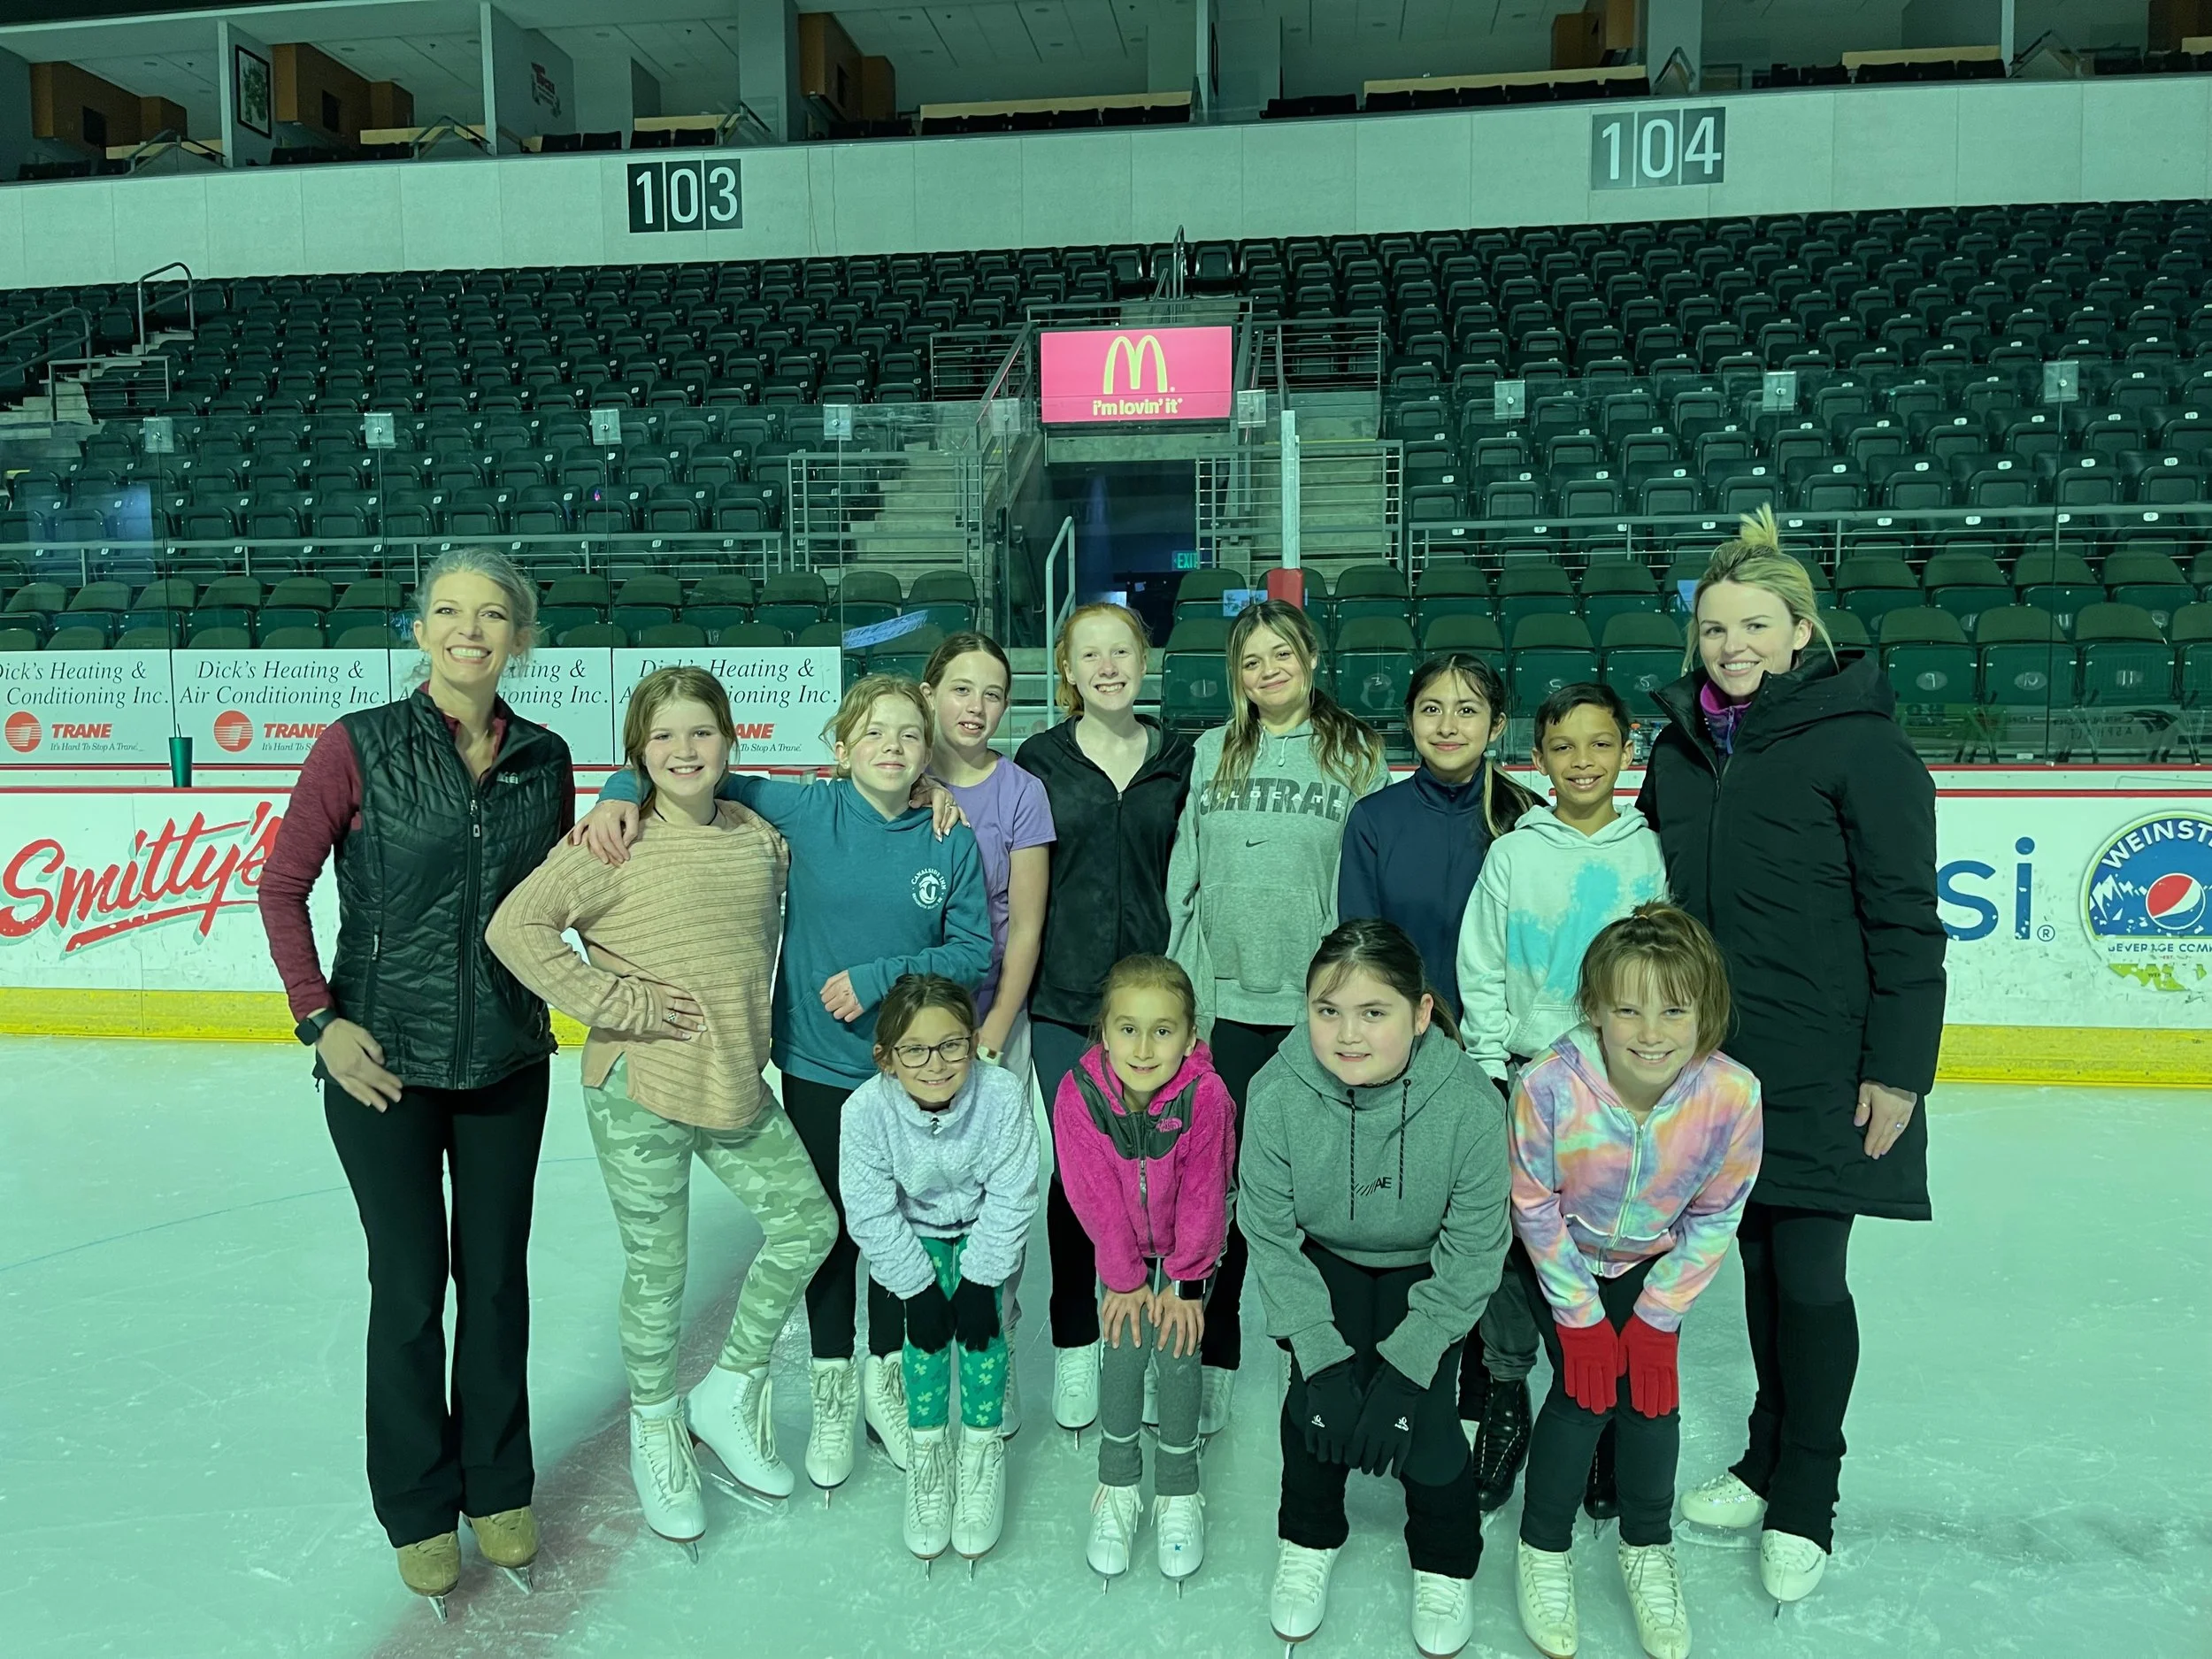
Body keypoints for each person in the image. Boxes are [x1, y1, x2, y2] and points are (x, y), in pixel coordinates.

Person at [572, 674, 992, 1499]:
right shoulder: (804, 808)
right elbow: (693, 770)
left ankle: (883, 1378)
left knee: (896, 1224)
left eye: (910, 734)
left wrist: (879, 976)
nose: (892, 747)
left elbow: (973, 950)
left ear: (928, 752)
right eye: (874, 732)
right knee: (830, 1229)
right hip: (815, 1063)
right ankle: (832, 1386)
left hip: (907, 1071)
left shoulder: (947, 836)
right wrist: (620, 787)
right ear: (841, 746)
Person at [256, 548, 572, 1618]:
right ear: (420, 629)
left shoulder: (544, 757)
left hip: (505, 1059)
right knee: (406, 1287)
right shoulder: (357, 746)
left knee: (495, 1282)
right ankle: (418, 1507)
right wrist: (321, 1021)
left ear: (520, 636)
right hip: (379, 1064)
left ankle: (499, 1483)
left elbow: (555, 899)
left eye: (490, 614)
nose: (468, 630)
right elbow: (282, 888)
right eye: (447, 611)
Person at [1639, 507, 1945, 1604]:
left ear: (1802, 630)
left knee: (1810, 1277)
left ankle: (1807, 1490)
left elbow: (1906, 917)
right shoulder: (1679, 751)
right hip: (1715, 1068)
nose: (1733, 647)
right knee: (1760, 1266)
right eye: (1716, 628)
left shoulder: (1860, 744)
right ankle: (1766, 1455)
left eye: (1756, 626)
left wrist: (1898, 1069)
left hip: (1826, 1061)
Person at [486, 667, 838, 1552]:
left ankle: (728, 1391)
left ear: (730, 741)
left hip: (733, 1082)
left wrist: (932, 795)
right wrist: (619, 1003)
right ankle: (654, 1424)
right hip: (637, 1089)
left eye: (701, 732)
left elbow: (854, 824)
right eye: (664, 737)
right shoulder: (612, 842)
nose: (685, 751)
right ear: (638, 752)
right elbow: (515, 929)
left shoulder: (760, 838)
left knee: (807, 1225)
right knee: (658, 1268)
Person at [1240, 920, 1509, 1659]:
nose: (1347, 1033)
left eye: (1373, 1012)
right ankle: (1309, 1533)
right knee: (1315, 1400)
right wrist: (1322, 1358)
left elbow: (1475, 1248)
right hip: (1324, 1252)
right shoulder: (1275, 1092)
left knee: (1424, 1413)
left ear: (1420, 1014)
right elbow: (1268, 1232)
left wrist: (1406, 1372)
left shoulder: (1470, 1103)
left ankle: (1445, 1554)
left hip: (1427, 1260)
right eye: (1328, 1010)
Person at [1509, 904, 1763, 1659]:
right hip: (1562, 1252)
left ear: (1705, 1012)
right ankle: (1543, 1548)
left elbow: (1717, 1212)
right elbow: (1532, 1203)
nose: (1651, 1032)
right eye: (1628, 1009)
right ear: (1595, 1008)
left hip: (1653, 1259)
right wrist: (1580, 1315)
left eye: (1674, 1010)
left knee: (1651, 1398)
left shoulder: (1731, 1095)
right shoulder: (1549, 1085)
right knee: (1585, 1392)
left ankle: (1648, 1546)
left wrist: (1657, 1315)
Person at [1166, 597, 1386, 1432]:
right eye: (1251, 661)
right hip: (1226, 1007)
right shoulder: (1212, 751)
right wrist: (1188, 998)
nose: (1268, 672)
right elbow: (1184, 881)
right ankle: (1214, 1352)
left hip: (1313, 1013)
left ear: (1311, 658)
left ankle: (1316, 1359)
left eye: (1281, 655)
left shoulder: (1356, 751)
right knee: (1217, 1194)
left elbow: (1363, 882)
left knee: (1313, 1196)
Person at [1453, 681, 1669, 1513]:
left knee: (1607, 1243)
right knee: (1513, 1244)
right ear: (1538, 758)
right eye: (1564, 746)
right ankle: (1507, 1396)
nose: (1583, 761)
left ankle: (1603, 1412)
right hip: (1525, 1076)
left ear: (1626, 750)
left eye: (1600, 743)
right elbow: (1481, 963)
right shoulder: (1513, 855)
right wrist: (1489, 1064)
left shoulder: (1646, 853)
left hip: (1620, 1085)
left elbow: (1662, 968)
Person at [1012, 603, 1194, 1437]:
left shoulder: (1181, 756)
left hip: (1156, 1007)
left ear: (1144, 660)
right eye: (1091, 654)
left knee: (1158, 1169)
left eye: (1121, 650)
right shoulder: (1039, 760)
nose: (1108, 666)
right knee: (1081, 1173)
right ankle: (1077, 1338)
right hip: (1065, 1000)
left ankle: (1150, 1340)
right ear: (1068, 668)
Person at [840, 974, 1039, 1570]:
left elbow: (1013, 1192)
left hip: (983, 1223)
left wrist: (981, 1281)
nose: (936, 1063)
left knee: (985, 1335)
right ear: (887, 1058)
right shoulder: (865, 1112)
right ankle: (929, 1453)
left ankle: (980, 1449)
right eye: (916, 1050)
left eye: (951, 1045)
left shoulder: (1001, 1096)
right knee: (924, 1345)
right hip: (915, 1230)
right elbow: (870, 1211)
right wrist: (918, 1289)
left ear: (972, 1042)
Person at [1052, 955, 1236, 1586]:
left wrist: (1185, 1284)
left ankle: (1179, 1488)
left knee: (1179, 1351)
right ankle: (1118, 1486)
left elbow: (1206, 1194)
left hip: (1187, 1249)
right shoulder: (1078, 1094)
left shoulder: (1207, 1096)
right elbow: (1092, 1195)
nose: (1144, 1047)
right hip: (1122, 1249)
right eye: (1128, 1028)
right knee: (1126, 1348)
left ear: (1190, 1036)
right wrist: (1125, 1279)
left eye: (1163, 1031)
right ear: (1104, 1032)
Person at [1336, 651, 1539, 1023]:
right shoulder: (1373, 819)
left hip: (1503, 1036)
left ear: (1497, 725)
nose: (1447, 727)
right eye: (1431, 709)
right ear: (1410, 720)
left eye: (1467, 711)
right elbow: (1363, 950)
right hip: (1402, 1031)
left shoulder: (1529, 817)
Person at [919, 631, 1056, 1083]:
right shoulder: (899, 782)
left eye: (991, 695)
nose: (976, 707)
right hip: (905, 1015)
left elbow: (1025, 928)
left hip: (989, 1013)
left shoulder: (1023, 793)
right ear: (928, 694)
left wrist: (995, 1029)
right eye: (961, 689)